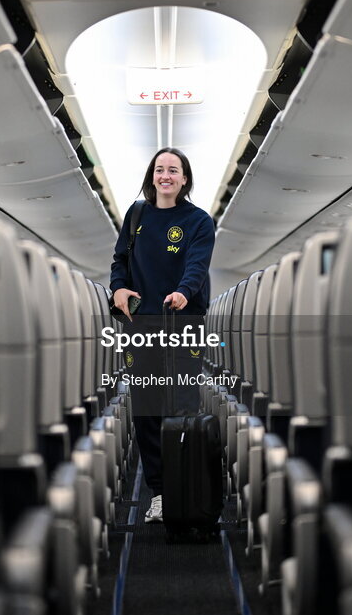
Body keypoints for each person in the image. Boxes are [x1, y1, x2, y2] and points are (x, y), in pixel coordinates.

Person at [109, 147, 215, 523]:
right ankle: (159, 491)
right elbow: (120, 260)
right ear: (152, 176)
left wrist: (183, 293)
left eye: (174, 170)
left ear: (185, 178)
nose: (166, 175)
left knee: (183, 405)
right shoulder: (136, 214)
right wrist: (118, 289)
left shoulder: (199, 221)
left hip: (183, 323)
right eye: (160, 169)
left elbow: (196, 266)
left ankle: (187, 489)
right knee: (146, 410)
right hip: (142, 326)